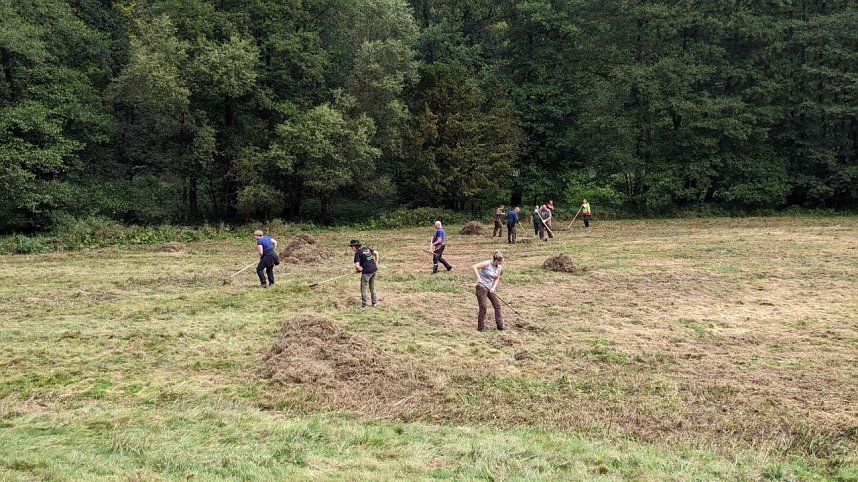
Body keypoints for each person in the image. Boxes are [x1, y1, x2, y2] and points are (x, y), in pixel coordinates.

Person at [472, 250, 505, 331]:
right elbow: (474, 266)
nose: (502, 263)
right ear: (496, 260)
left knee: (497, 305)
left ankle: (500, 326)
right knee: (483, 307)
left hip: (490, 288)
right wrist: (478, 277)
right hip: (481, 287)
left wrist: (493, 287)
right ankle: (481, 328)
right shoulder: (487, 263)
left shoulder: (499, 267)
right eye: (501, 262)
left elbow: (497, 278)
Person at [350, 240, 379, 308]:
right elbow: (376, 253)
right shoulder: (366, 248)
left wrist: (358, 270)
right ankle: (374, 303)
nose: (351, 248)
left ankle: (364, 305)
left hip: (367, 272)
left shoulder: (357, 253)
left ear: (355, 247)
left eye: (352, 246)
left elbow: (357, 266)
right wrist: (376, 263)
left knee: (363, 288)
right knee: (372, 287)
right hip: (374, 270)